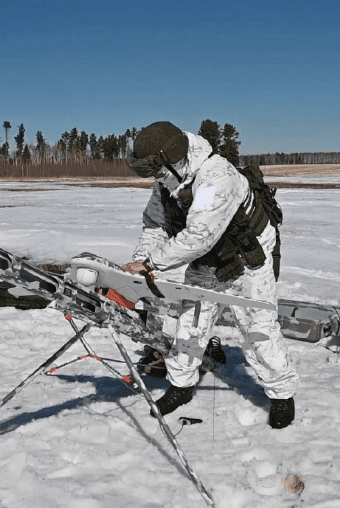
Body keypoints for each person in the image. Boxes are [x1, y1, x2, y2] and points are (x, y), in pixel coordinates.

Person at [123, 121, 299, 429]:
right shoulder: (168, 179)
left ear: (173, 159)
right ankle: (181, 385)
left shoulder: (217, 177)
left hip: (247, 262)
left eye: (157, 171)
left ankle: (282, 395)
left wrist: (150, 264)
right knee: (189, 328)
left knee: (259, 333)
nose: (155, 178)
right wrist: (140, 259)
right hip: (207, 263)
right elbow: (156, 225)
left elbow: (199, 236)